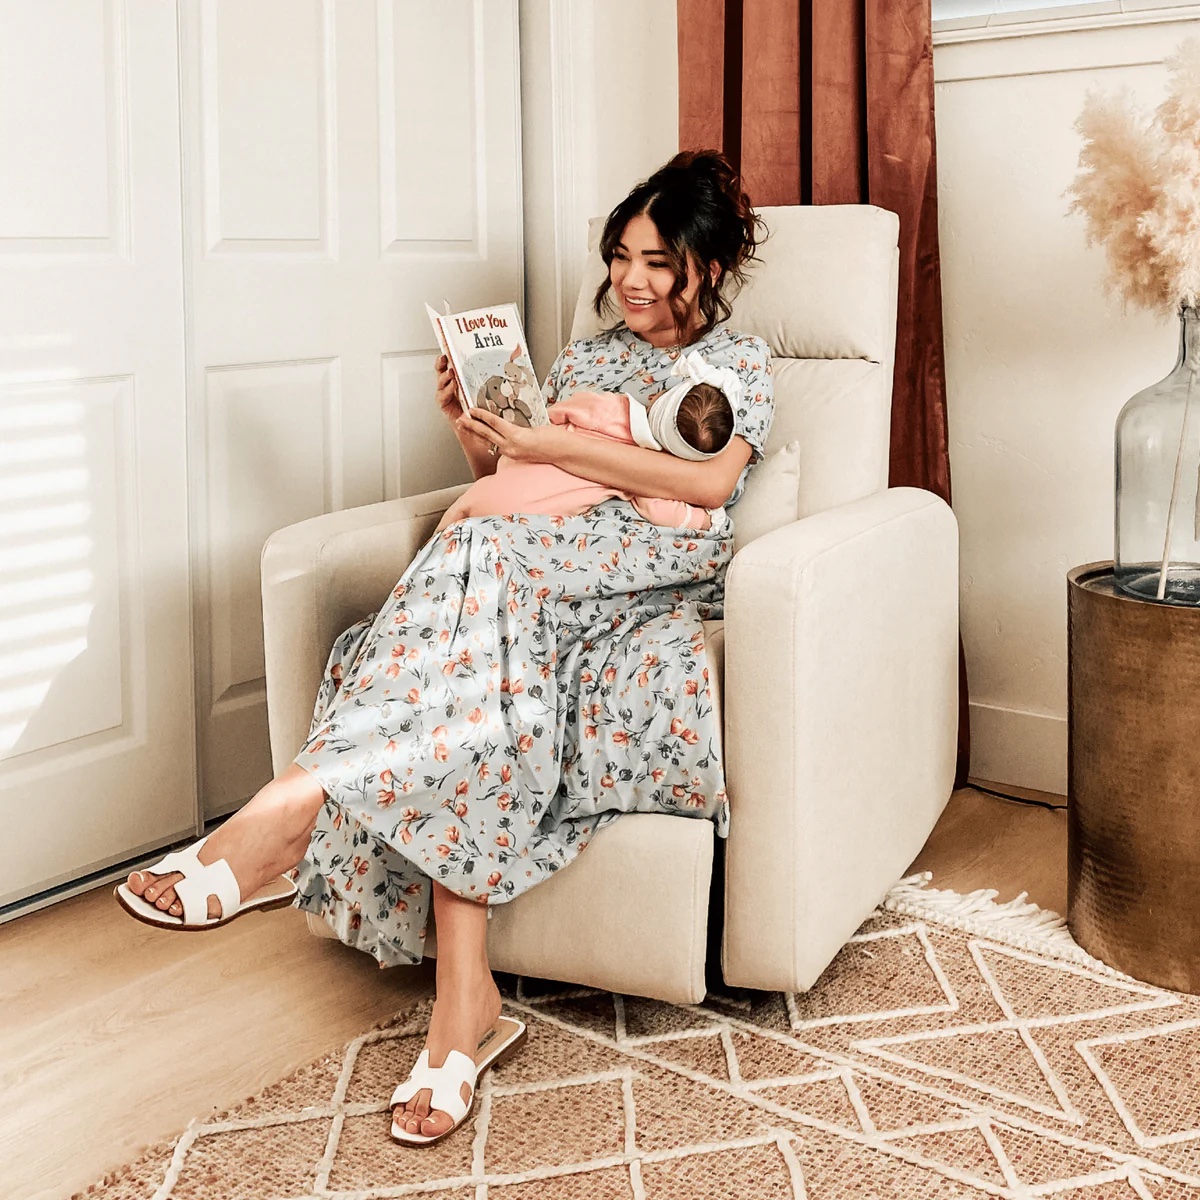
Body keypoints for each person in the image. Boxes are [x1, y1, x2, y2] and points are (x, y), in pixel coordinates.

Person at [115, 149, 774, 1146]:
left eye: (658, 260)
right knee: (480, 626)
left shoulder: (733, 368)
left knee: (475, 553)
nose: (633, 280)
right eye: (621, 255)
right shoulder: (588, 357)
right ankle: (465, 1003)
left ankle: (293, 806)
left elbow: (706, 487)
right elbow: (515, 475)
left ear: (708, 268)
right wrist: (472, 427)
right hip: (526, 553)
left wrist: (549, 448)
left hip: (639, 565)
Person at [435, 349, 741, 534]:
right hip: (526, 518)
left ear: (662, 397)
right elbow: (661, 511)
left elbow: (552, 417)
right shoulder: (643, 475)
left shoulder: (609, 406)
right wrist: (705, 521)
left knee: (436, 552)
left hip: (493, 491)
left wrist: (542, 427)